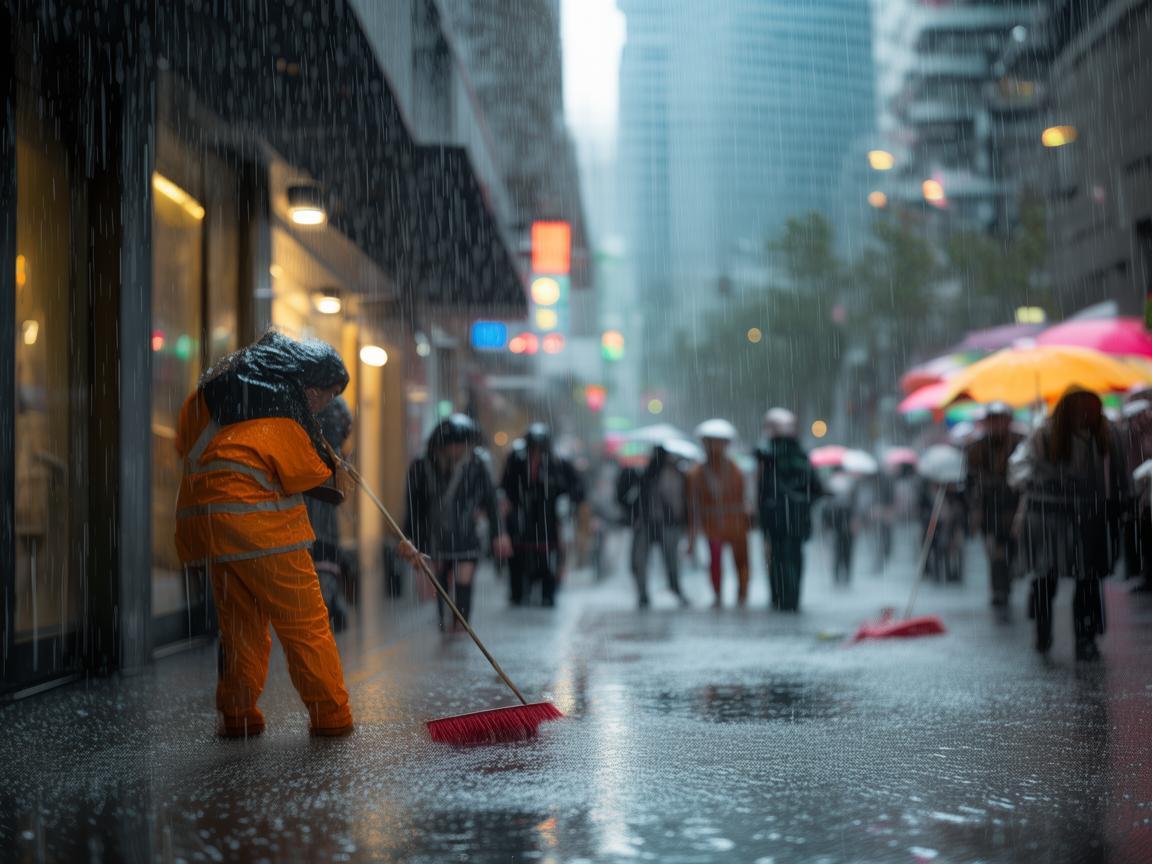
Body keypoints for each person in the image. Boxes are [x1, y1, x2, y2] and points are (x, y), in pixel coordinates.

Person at [174, 331, 418, 738]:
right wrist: (336, 462)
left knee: (241, 628)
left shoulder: (217, 396)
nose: (323, 404)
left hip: (210, 525)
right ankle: (331, 715)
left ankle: (238, 714)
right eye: (325, 394)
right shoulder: (280, 409)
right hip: (264, 531)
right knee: (305, 623)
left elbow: (184, 442)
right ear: (306, 383)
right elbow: (311, 476)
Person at [1009, 388, 1129, 659]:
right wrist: (1038, 478)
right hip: (1049, 517)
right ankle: (1042, 630)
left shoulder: (1107, 436)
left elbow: (1119, 477)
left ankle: (1085, 638)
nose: (1084, 415)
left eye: (1090, 409)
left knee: (1087, 581)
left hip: (1089, 517)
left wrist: (1120, 505)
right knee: (1045, 579)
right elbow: (1019, 467)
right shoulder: (1044, 434)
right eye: (1079, 409)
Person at [404, 414, 511, 630]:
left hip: (465, 534)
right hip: (435, 536)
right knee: (441, 582)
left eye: (461, 444)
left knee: (464, 580)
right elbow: (413, 507)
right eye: (453, 444)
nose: (457, 449)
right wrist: (411, 538)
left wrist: (499, 532)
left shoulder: (476, 465)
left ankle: (461, 625)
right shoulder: (422, 467)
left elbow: (490, 500)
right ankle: (445, 624)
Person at [501, 423, 584, 606]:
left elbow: (576, 488)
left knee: (547, 559)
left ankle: (548, 592)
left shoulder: (557, 463)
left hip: (548, 518)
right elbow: (506, 486)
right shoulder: (517, 460)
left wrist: (565, 502)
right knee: (518, 558)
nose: (536, 452)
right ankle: (519, 591)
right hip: (522, 518)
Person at [756, 408, 822, 611]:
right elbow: (816, 489)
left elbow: (761, 491)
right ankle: (791, 599)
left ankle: (780, 598)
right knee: (792, 559)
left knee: (777, 559)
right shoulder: (800, 455)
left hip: (777, 520)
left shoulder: (766, 456)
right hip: (795, 520)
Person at [965, 402, 1025, 608]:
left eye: (1000, 419)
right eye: (992, 420)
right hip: (989, 507)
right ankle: (999, 589)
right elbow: (970, 479)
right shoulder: (976, 447)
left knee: (1011, 547)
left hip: (1013, 504)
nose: (996, 424)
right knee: (994, 551)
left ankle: (1007, 579)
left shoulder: (1020, 442)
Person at [686, 419, 749, 607]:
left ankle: (742, 593)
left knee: (742, 561)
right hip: (712, 525)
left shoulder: (736, 470)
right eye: (711, 441)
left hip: (736, 524)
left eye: (720, 441)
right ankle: (718, 593)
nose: (716, 446)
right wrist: (692, 535)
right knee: (714, 561)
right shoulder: (696, 474)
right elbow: (692, 506)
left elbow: (746, 496)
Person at [306, 396, 354, 631]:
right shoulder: (329, 453)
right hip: (317, 530)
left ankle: (327, 610)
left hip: (315, 530)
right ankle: (328, 610)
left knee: (319, 580)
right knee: (320, 579)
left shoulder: (329, 452)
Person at [626, 444, 690, 608]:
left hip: (663, 523)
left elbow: (680, 500)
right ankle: (646, 593)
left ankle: (670, 589)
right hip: (651, 523)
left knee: (668, 560)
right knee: (647, 560)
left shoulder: (671, 474)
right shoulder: (648, 473)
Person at [823, 468, 858, 584]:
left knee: (840, 550)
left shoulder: (833, 483)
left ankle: (840, 574)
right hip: (841, 522)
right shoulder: (850, 483)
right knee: (843, 550)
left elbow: (827, 506)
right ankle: (843, 574)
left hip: (839, 522)